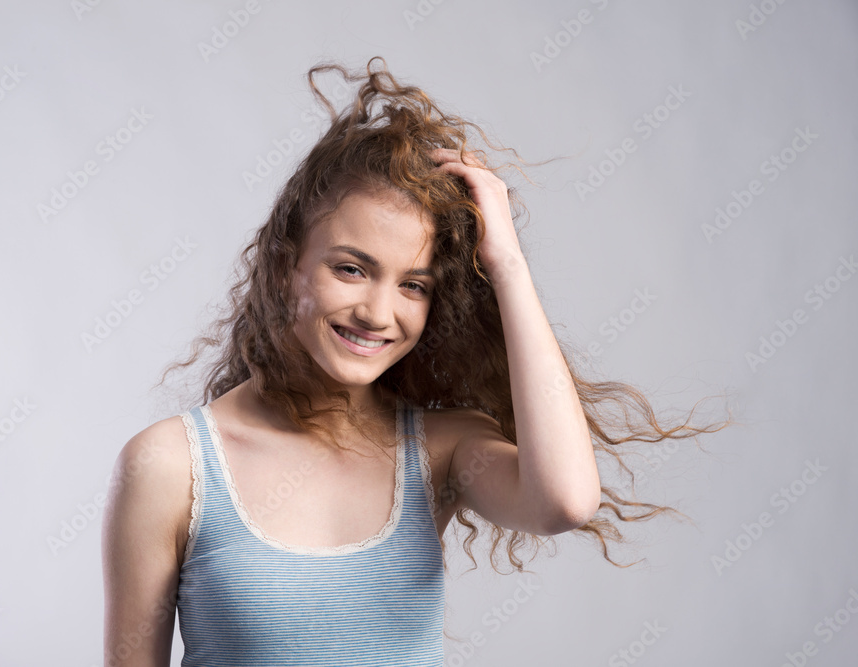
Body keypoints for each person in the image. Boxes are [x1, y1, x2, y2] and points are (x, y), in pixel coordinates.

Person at [101, 56, 730, 666]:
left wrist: (506, 264)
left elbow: (563, 502)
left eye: (413, 285)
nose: (377, 312)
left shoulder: (437, 450)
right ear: (283, 264)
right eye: (351, 268)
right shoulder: (169, 465)